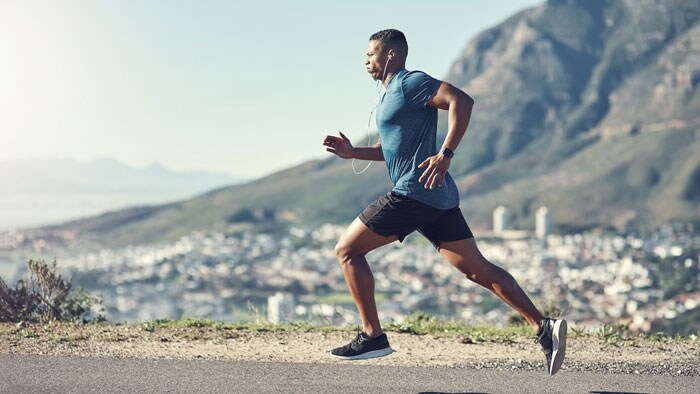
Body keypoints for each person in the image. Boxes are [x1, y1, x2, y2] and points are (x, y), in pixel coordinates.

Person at [322, 29, 567, 376]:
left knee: (347, 251)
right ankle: (544, 328)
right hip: (436, 197)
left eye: (371, 54)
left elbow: (461, 101)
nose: (365, 61)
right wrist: (353, 152)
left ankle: (372, 336)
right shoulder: (392, 94)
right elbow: (389, 150)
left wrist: (446, 153)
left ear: (391, 54)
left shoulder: (411, 83)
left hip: (414, 192)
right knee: (475, 268)